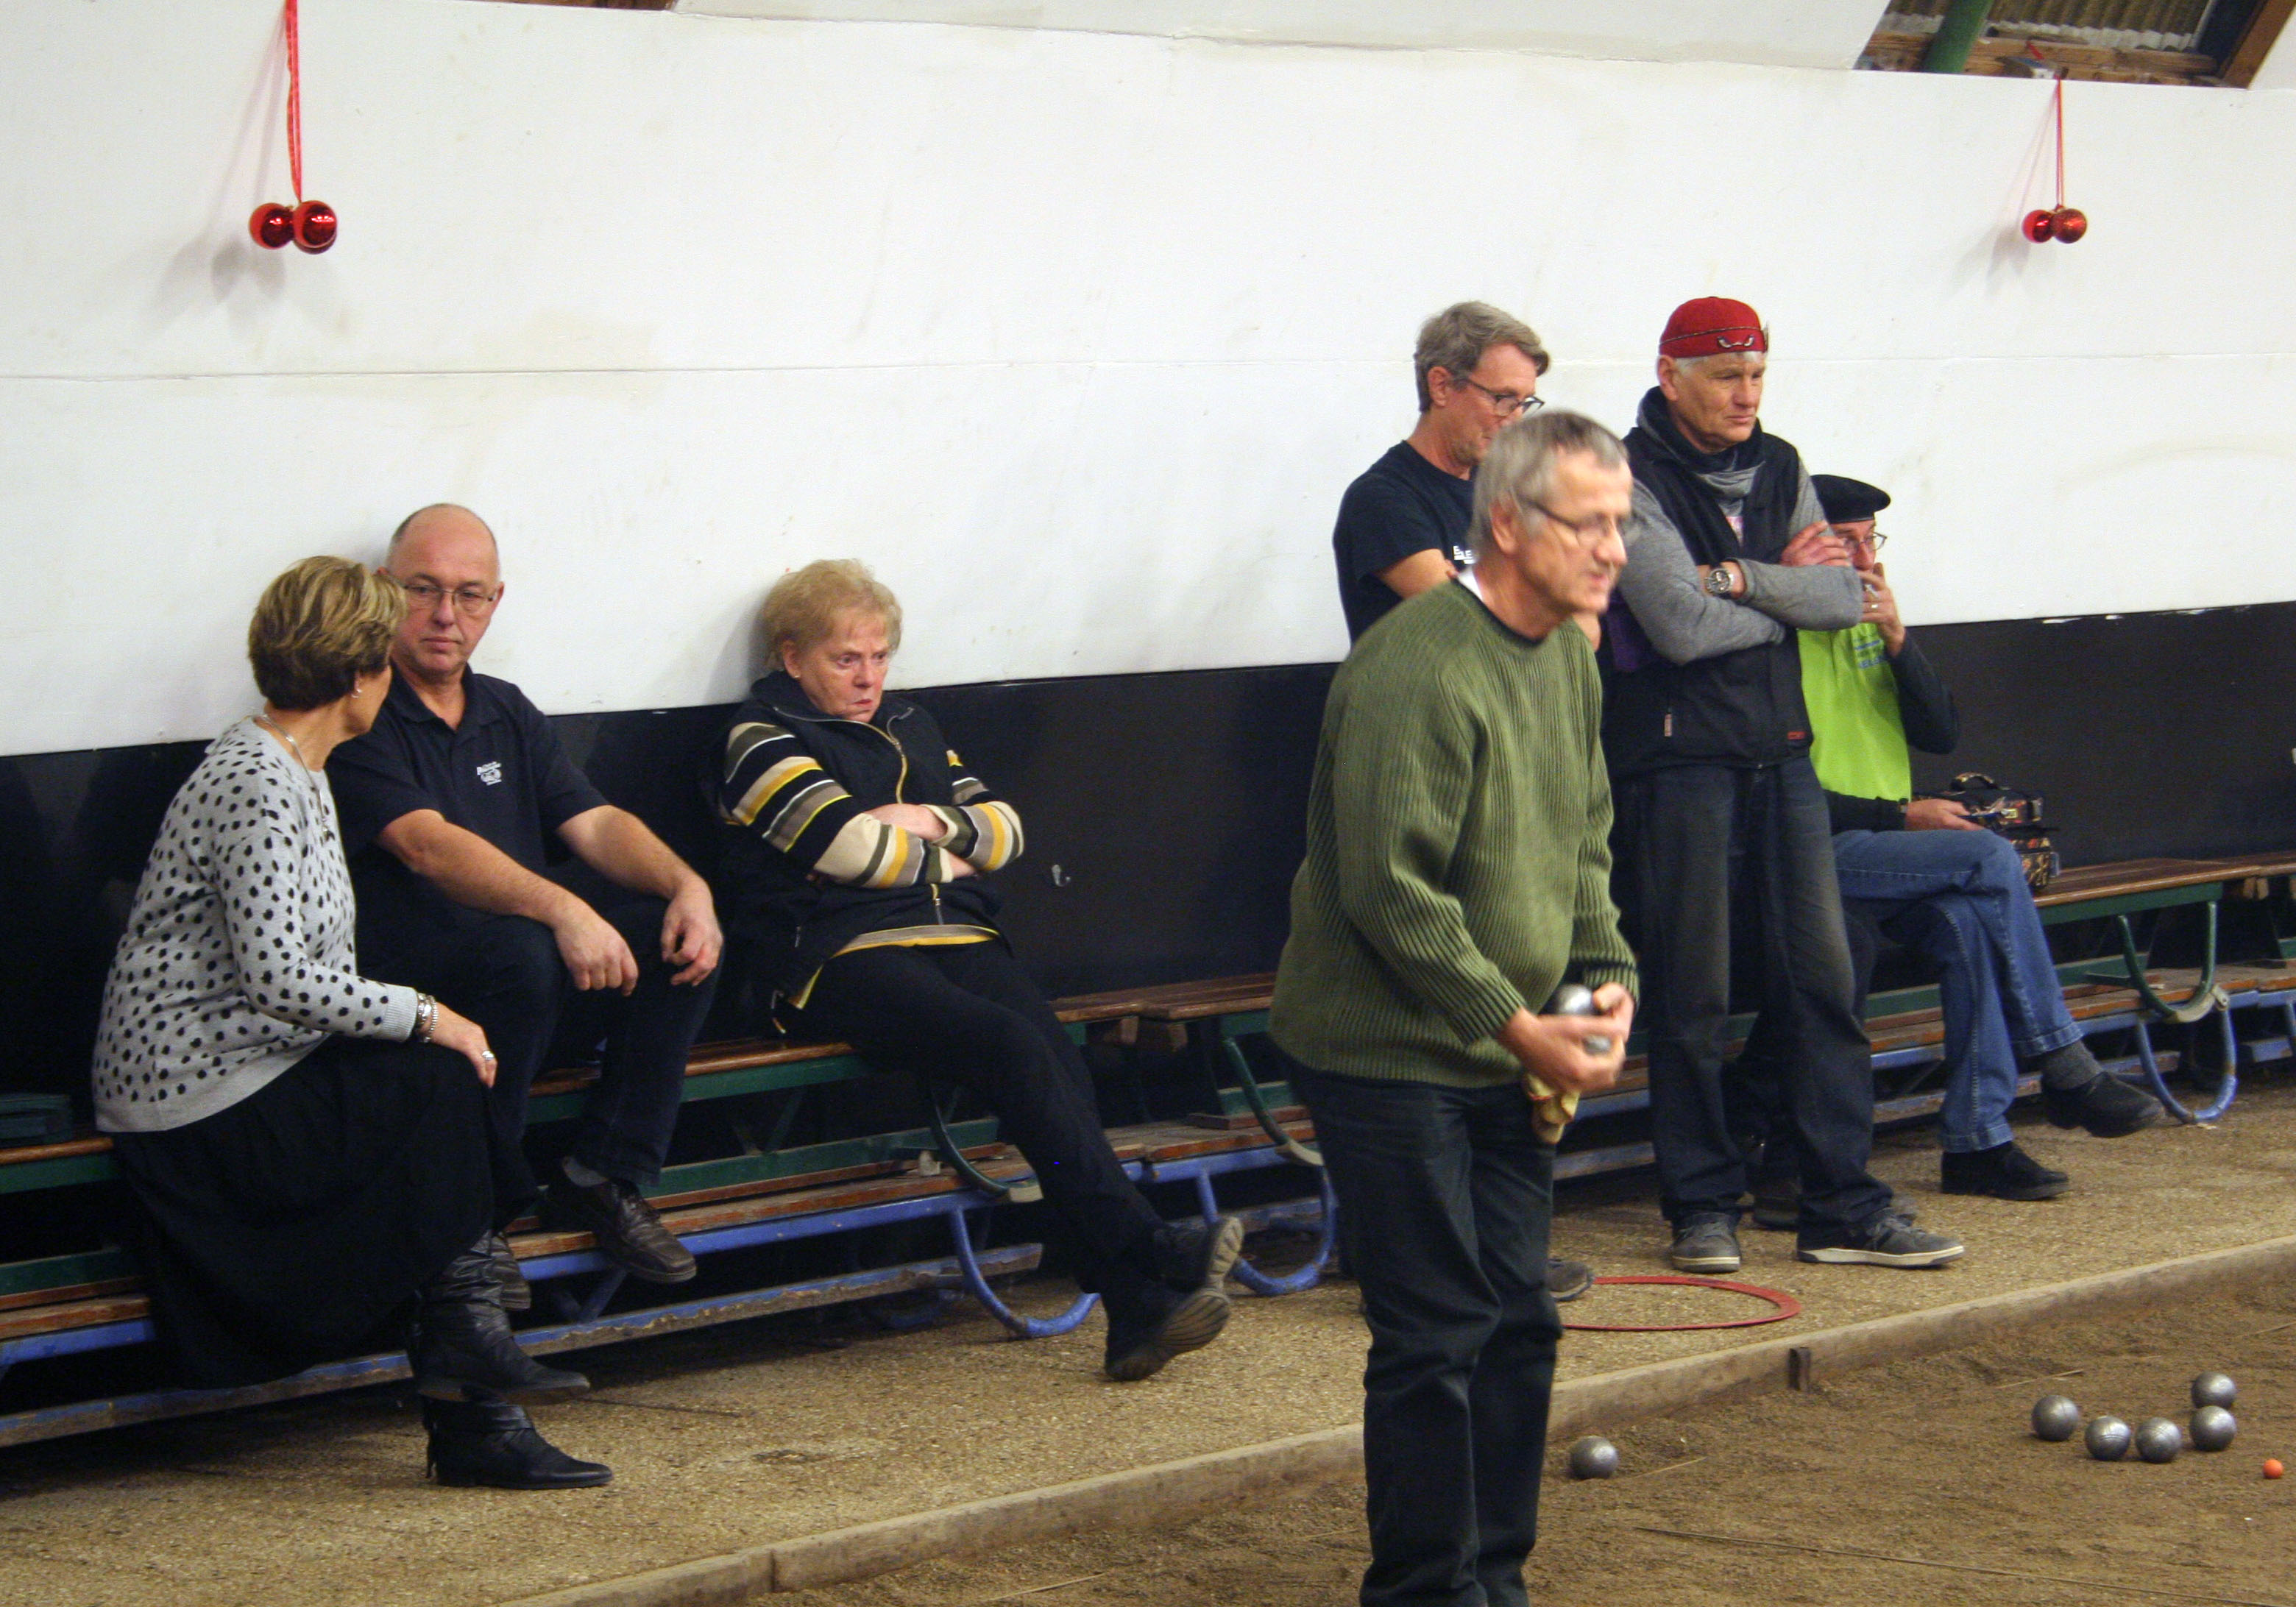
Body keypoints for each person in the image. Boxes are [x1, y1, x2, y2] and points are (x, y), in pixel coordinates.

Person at [92, 557, 605, 1491]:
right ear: (363, 674)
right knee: (438, 1079)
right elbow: (282, 980)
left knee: (438, 1089)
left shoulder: (299, 767)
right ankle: (475, 1392)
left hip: (252, 1072)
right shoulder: (255, 780)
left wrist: (425, 1025)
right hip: (195, 1106)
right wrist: (428, 1015)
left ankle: (474, 1381)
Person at [1271, 411, 1638, 1607]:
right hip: (1385, 1049)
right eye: (1588, 524)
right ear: (1508, 525)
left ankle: (1495, 1581)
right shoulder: (1417, 666)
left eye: (1622, 523)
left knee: (1519, 1322)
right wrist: (1520, 1025)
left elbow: (1584, 842)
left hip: (1501, 1043)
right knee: (1436, 1334)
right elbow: (1389, 890)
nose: (1613, 549)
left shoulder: (1569, 656)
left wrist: (1604, 977)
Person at [712, 559, 1242, 1383]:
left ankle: (1136, 1302)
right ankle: (1149, 1247)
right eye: (845, 660)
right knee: (1007, 1045)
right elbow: (847, 850)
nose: (868, 678)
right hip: (835, 954)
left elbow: (1006, 831)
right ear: (792, 658)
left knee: (1055, 1052)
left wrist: (917, 821)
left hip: (955, 934)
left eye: (879, 657)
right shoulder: (759, 737)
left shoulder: (913, 723)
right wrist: (950, 853)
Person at [1603, 297, 1964, 1273]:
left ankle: (1841, 1204)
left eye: (1758, 375)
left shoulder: (1783, 464)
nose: (1746, 395)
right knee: (1693, 1001)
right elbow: (1676, 627)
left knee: (1825, 985)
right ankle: (1701, 1207)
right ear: (1672, 376)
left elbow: (1842, 598)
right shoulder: (1625, 476)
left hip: (1783, 756)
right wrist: (1777, 587)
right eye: (1727, 377)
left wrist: (1728, 579)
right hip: (1677, 765)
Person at [330, 505, 723, 1305]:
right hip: (411, 1001)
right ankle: (472, 1218)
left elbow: (597, 823)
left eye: (470, 595)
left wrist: (690, 888)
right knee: (527, 951)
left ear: (495, 601)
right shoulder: (357, 709)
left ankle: (602, 1173)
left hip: (524, 992)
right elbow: (425, 845)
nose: (447, 615)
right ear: (382, 590)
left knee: (676, 940)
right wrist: (565, 911)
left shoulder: (505, 709)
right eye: (423, 589)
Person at [1328, 299, 1599, 1303]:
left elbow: (1578, 628)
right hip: (1422, 764)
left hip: (1516, 764)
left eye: (1529, 402)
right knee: (1431, 1005)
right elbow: (1466, 615)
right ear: (1442, 385)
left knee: (1520, 984)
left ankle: (1499, 1241)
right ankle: (1408, 1245)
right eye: (1502, 399)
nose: (1515, 420)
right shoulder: (1386, 500)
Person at [1796, 474, 2163, 1198]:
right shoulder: (1776, 638)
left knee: (1969, 922)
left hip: (1886, 855)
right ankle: (2065, 1063)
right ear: (1802, 549)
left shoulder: (1868, 625)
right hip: (1815, 850)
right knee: (1990, 858)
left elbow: (1942, 732)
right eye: (1845, 543)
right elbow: (1777, 790)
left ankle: (1977, 1141)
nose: (1865, 560)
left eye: (1872, 542)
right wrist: (1901, 817)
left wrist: (1899, 642)